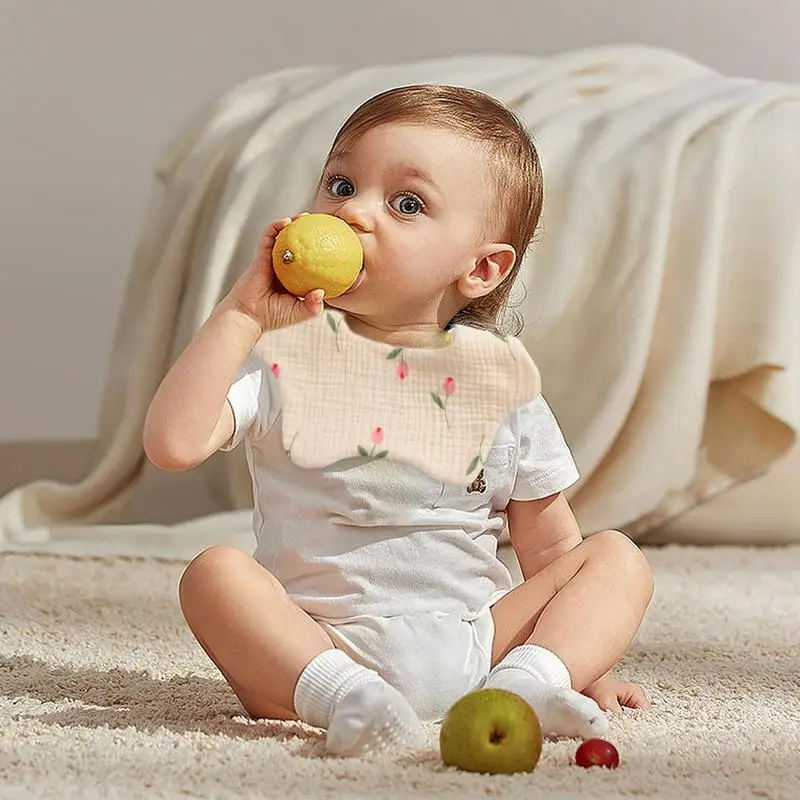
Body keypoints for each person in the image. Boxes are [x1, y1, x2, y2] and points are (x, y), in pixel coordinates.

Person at [143, 84, 655, 758]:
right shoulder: (281, 360)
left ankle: (528, 687)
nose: (352, 212)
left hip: (477, 645)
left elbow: (551, 547)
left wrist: (581, 657)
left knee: (615, 560)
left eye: (406, 204)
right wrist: (240, 317)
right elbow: (173, 444)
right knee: (213, 575)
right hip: (316, 647)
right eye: (340, 182)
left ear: (481, 268)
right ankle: (353, 701)